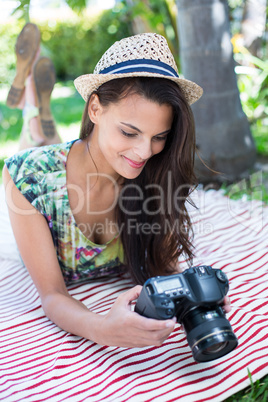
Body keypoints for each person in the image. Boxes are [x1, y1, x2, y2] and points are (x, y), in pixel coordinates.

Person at [3, 26, 231, 348]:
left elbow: (163, 264)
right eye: (128, 132)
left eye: (159, 137)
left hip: (86, 155)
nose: (143, 152)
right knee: (39, 142)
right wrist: (103, 329)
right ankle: (37, 114)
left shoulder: (155, 173)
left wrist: (193, 299)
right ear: (95, 109)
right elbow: (53, 295)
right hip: (53, 168)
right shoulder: (29, 180)